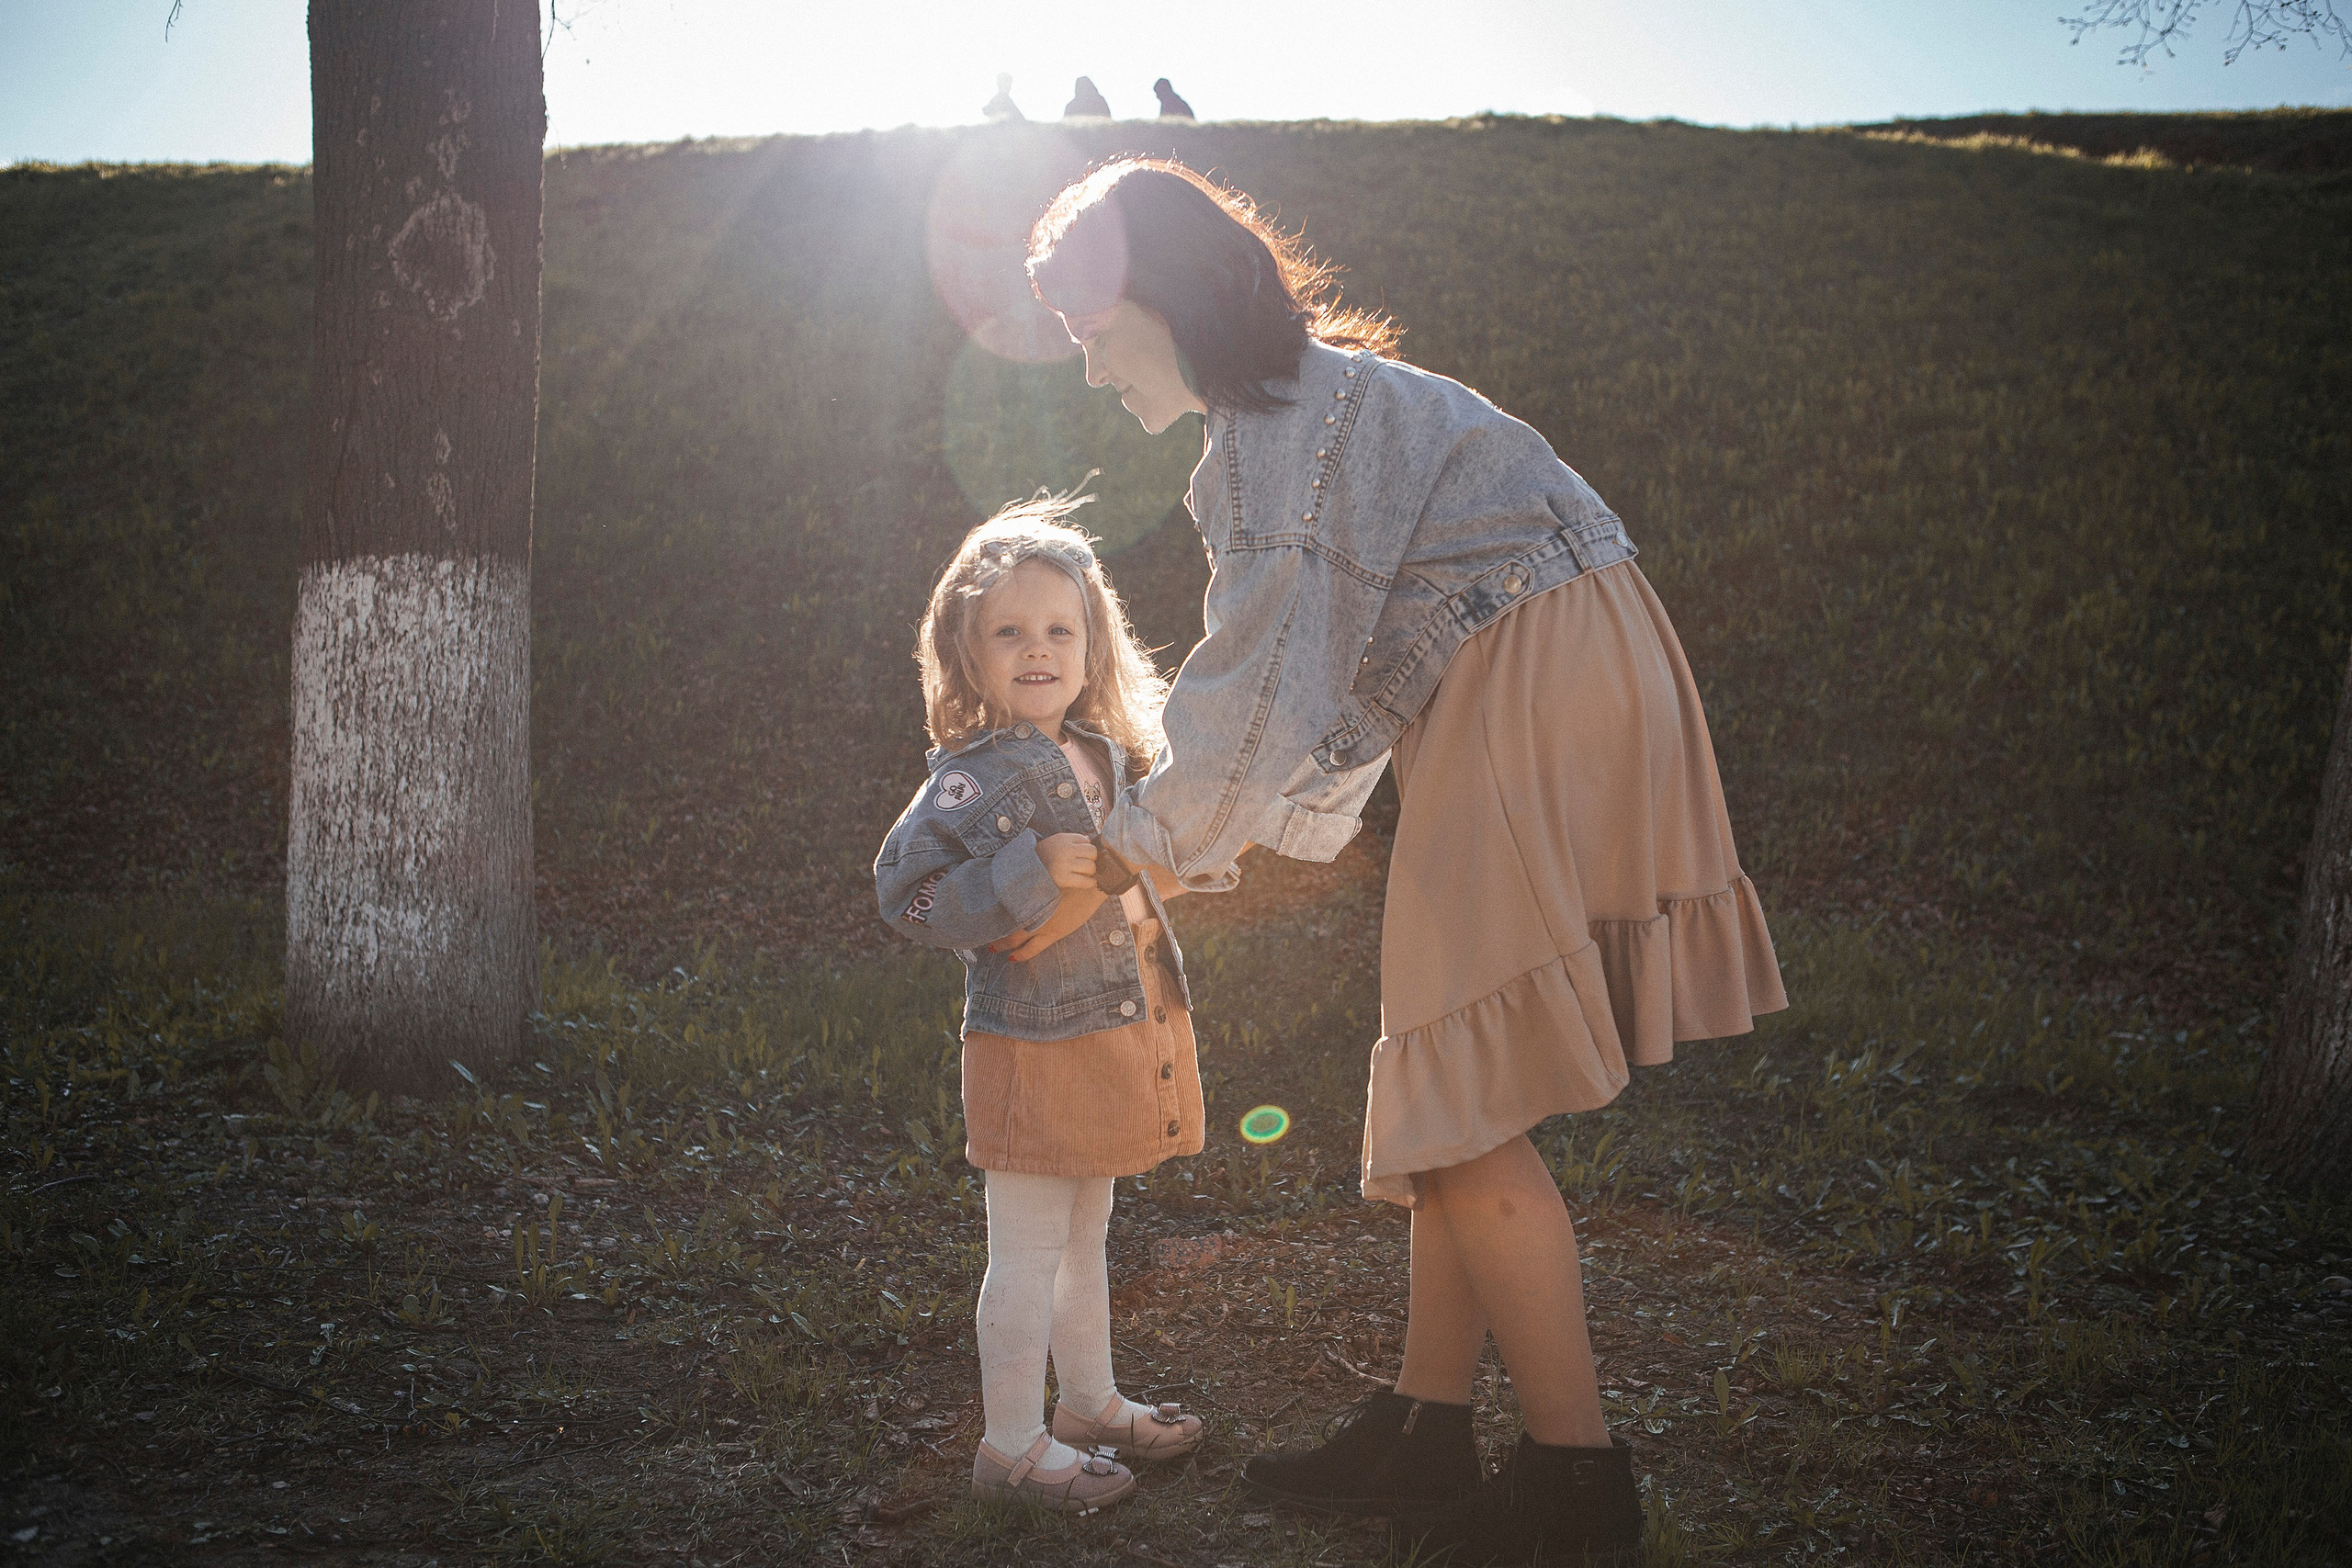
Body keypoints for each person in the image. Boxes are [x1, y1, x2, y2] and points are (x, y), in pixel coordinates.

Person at [1023, 160, 1787, 1565]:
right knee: (1450, 1066)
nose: (1085, 368)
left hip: (1533, 677)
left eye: (1085, 326)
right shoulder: (1315, 406)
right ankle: (1429, 1424)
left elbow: (1254, 690)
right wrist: (1204, 837)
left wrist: (1129, 851)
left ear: (1154, 296)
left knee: (1466, 1087)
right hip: (1555, 661)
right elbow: (1312, 685)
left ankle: (1578, 1481)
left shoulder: (1280, 430)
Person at [873, 498, 1207, 1515]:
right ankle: (1011, 1446)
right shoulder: (970, 785)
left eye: (1058, 629)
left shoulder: (1103, 757)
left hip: (1116, 1031)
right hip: (1029, 1045)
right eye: (1008, 631)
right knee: (1023, 1248)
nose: (1036, 649)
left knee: (1087, 1230)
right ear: (966, 655)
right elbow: (908, 897)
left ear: (1091, 645)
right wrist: (1024, 868)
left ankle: (1089, 1404)